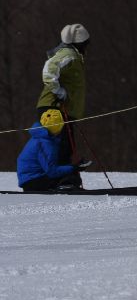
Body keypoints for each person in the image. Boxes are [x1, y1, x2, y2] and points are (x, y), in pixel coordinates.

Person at [36, 23, 90, 188]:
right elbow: (49, 70)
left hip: (61, 109)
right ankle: (63, 181)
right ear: (80, 43)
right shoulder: (69, 54)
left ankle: (66, 179)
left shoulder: (73, 55)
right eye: (86, 43)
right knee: (62, 145)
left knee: (66, 145)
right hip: (54, 108)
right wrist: (59, 91)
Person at [17, 109, 92, 192]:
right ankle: (63, 190)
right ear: (58, 127)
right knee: (72, 177)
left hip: (34, 178)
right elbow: (52, 171)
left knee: (71, 174)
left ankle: (65, 187)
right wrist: (73, 168)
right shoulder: (44, 143)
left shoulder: (43, 137)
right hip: (32, 181)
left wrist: (74, 167)